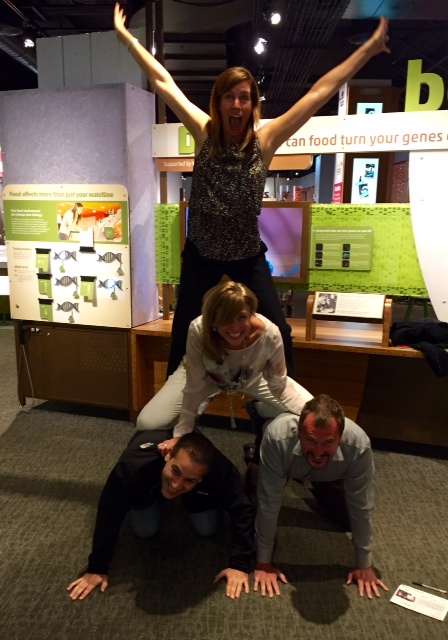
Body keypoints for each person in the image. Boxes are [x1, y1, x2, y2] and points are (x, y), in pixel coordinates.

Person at [113, 4, 390, 379]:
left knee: (280, 331)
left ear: (253, 106)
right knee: (184, 334)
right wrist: (127, 38)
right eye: (230, 97)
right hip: (202, 257)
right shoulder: (204, 132)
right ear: (219, 102)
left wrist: (367, 50)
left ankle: (281, 415)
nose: (237, 105)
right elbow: (164, 82)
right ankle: (174, 426)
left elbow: (319, 92)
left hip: (246, 256)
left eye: (244, 98)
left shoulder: (266, 140)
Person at [67, 430, 254, 601]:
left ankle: (190, 488)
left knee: (207, 528)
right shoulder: (133, 465)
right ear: (168, 455)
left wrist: (239, 565)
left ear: (202, 478)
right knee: (144, 530)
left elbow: (243, 510)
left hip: (196, 479)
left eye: (190, 480)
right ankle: (157, 492)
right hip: (149, 461)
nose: (176, 485)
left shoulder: (220, 470)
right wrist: (97, 568)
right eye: (175, 471)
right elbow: (109, 511)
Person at [136, 280, 313, 452]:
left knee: (310, 417)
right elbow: (195, 385)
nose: (235, 327)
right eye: (226, 318)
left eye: (242, 317)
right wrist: (182, 435)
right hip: (204, 376)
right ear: (213, 319)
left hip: (254, 376)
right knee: (148, 423)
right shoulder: (198, 329)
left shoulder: (270, 333)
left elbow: (279, 385)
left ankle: (261, 410)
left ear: (251, 313)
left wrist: (313, 417)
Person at [253, 394, 389, 600]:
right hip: (280, 456)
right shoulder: (277, 437)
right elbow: (268, 504)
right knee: (255, 497)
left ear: (340, 439)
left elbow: (362, 505)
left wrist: (364, 565)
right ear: (299, 434)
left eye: (328, 442)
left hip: (330, 471)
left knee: (347, 519)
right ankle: (253, 456)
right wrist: (264, 562)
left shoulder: (359, 446)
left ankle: (308, 478)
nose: (318, 451)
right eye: (310, 440)